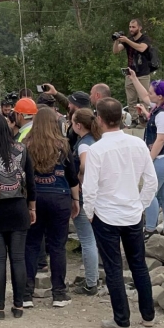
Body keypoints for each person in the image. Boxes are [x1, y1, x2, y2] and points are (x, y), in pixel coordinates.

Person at [83, 98, 158, 328]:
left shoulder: (96, 150)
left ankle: (122, 319)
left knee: (113, 267)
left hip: (105, 214)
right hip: (132, 212)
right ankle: (148, 315)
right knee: (139, 264)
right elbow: (151, 180)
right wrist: (141, 204)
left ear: (99, 119)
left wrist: (89, 212)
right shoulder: (138, 144)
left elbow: (89, 187)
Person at [22, 108, 77, 309]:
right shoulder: (63, 145)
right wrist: (76, 200)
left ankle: (26, 294)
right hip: (59, 196)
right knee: (57, 246)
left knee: (31, 245)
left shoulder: (26, 145)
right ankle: (59, 293)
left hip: (33, 198)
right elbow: (72, 177)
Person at [0, 113, 35, 319]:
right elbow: (31, 182)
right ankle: (19, 305)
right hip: (18, 206)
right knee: (18, 258)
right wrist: (32, 207)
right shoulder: (21, 149)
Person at [129, 77, 164, 238]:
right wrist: (134, 78)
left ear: (160, 96)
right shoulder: (160, 108)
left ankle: (150, 229)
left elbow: (161, 139)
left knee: (150, 193)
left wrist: (149, 159)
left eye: (152, 93)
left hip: (162, 158)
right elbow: (144, 95)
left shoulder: (162, 115)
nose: (148, 95)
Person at [69, 108, 101, 295]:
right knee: (94, 238)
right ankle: (94, 276)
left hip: (83, 196)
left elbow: (86, 164)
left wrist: (80, 178)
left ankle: (91, 282)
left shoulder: (83, 144)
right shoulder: (97, 140)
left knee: (87, 239)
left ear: (78, 125)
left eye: (73, 121)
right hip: (98, 195)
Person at [112, 18, 154, 117]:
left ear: (140, 28)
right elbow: (116, 51)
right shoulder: (129, 40)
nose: (131, 29)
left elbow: (141, 48)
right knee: (131, 99)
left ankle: (144, 118)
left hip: (143, 74)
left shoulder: (145, 38)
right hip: (130, 74)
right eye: (130, 27)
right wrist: (116, 40)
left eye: (133, 27)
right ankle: (134, 119)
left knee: (144, 99)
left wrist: (127, 40)